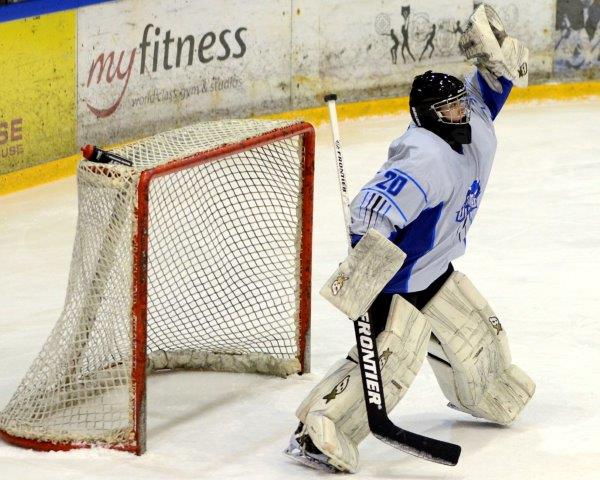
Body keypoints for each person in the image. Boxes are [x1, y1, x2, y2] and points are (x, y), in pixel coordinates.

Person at [284, 4, 534, 473]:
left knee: (480, 338)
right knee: (392, 360)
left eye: (460, 104)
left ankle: (480, 393)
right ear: (427, 116)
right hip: (398, 280)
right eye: (448, 109)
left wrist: (497, 58)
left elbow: (491, 87)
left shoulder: (475, 124)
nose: (459, 112)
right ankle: (318, 429)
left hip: (435, 267)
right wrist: (365, 266)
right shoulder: (422, 156)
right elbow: (370, 211)